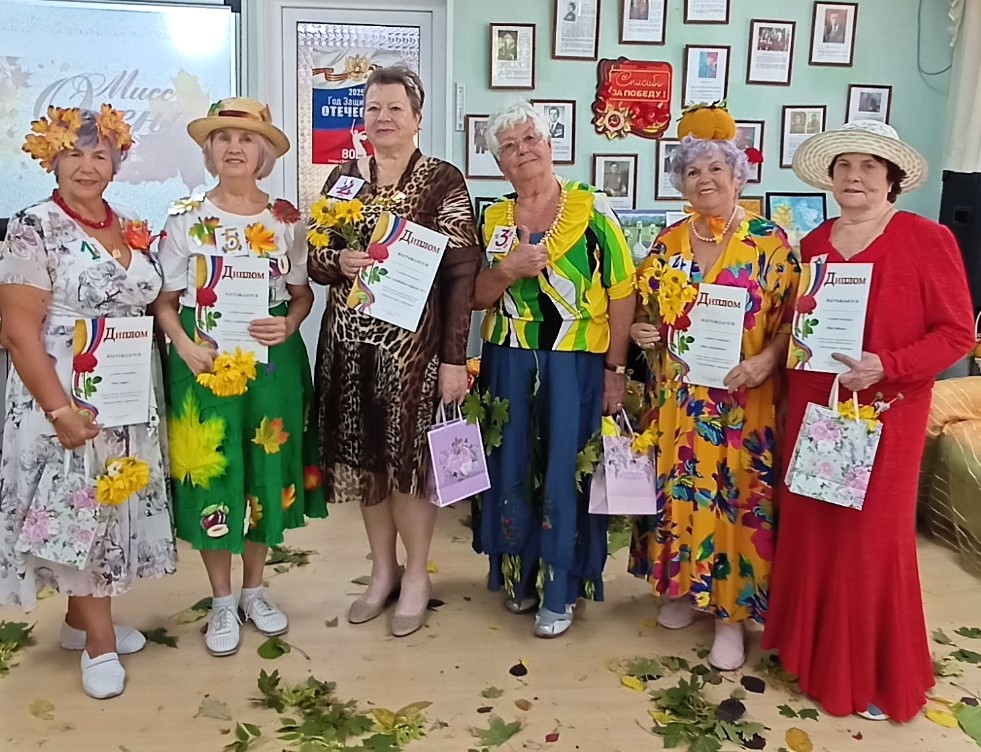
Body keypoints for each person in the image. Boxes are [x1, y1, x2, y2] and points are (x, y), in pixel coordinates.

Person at [761, 120, 975, 722]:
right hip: (815, 408)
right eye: (844, 167)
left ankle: (876, 674)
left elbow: (957, 333)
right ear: (830, 178)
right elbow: (800, 327)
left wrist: (890, 365)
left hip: (887, 414)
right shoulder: (813, 244)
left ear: (892, 179)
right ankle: (812, 657)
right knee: (813, 531)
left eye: (869, 167)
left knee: (870, 543)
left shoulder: (926, 239)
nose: (854, 177)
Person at [0, 106, 176, 698]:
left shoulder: (129, 223)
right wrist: (60, 411)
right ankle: (99, 644)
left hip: (126, 391)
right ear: (52, 159)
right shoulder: (34, 226)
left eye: (100, 154)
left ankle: (80, 622)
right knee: (81, 511)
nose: (87, 165)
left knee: (112, 503)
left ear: (116, 163)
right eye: (74, 153)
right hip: (64, 392)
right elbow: (18, 332)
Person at [306, 66, 481, 637]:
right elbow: (314, 259)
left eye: (395, 109)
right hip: (347, 347)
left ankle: (418, 576)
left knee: (408, 467)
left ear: (416, 117)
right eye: (373, 108)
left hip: (415, 353)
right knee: (367, 463)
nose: (383, 118)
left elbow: (462, 275)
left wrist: (454, 358)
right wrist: (338, 261)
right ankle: (382, 572)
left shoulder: (441, 180)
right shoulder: (343, 178)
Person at [628, 105, 800, 670]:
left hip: (742, 402)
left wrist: (767, 361)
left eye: (715, 169)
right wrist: (642, 329)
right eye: (692, 171)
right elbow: (647, 311)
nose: (704, 180)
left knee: (735, 502)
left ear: (736, 174)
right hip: (680, 402)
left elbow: (793, 325)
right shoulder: (668, 242)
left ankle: (732, 616)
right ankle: (688, 590)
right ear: (681, 181)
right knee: (683, 494)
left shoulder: (769, 242)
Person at [153, 98, 326, 657]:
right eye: (223, 138)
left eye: (247, 138)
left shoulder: (286, 221)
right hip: (202, 364)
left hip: (270, 365)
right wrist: (183, 346)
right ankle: (222, 600)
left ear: (264, 153)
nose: (234, 147)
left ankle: (254, 590)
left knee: (263, 467)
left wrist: (290, 323)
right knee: (213, 470)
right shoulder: (184, 219)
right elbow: (164, 302)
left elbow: (301, 295)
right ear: (209, 151)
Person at [471, 100, 636, 638]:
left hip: (576, 361)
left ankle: (560, 588)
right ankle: (518, 576)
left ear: (550, 145)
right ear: (499, 163)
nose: (522, 152)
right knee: (511, 464)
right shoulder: (491, 218)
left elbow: (622, 292)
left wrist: (615, 370)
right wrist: (506, 270)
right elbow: (474, 296)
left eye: (530, 140)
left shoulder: (593, 209)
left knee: (567, 470)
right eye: (509, 147)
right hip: (507, 358)